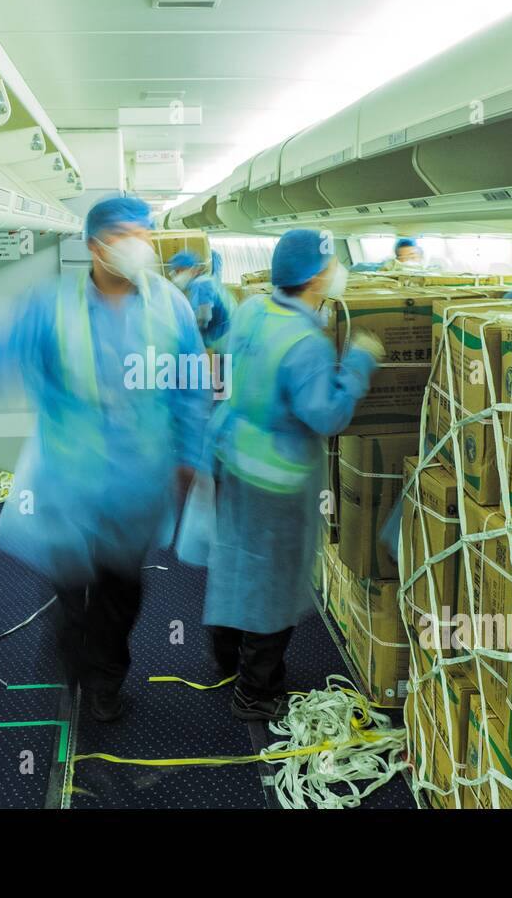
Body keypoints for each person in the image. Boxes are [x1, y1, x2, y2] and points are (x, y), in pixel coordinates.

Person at [0, 196, 211, 723]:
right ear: (93, 244)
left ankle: (106, 680)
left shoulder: (169, 307)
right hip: (69, 480)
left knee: (122, 593)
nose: (138, 244)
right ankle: (74, 670)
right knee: (71, 594)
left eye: (145, 233)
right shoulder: (51, 305)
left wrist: (190, 454)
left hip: (138, 479)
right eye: (123, 234)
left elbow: (190, 384)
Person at [202, 229, 384, 720]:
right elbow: (327, 416)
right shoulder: (306, 343)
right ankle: (256, 692)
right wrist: (360, 362)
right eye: (330, 265)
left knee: (237, 562)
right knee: (275, 583)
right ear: (316, 275)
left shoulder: (253, 311)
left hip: (232, 457)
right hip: (275, 479)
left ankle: (225, 658)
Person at [169, 250, 231, 352]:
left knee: (218, 366)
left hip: (221, 340)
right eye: (175, 272)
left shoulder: (202, 284)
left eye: (180, 271)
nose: (176, 276)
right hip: (221, 338)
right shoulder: (200, 283)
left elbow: (204, 316)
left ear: (193, 269)